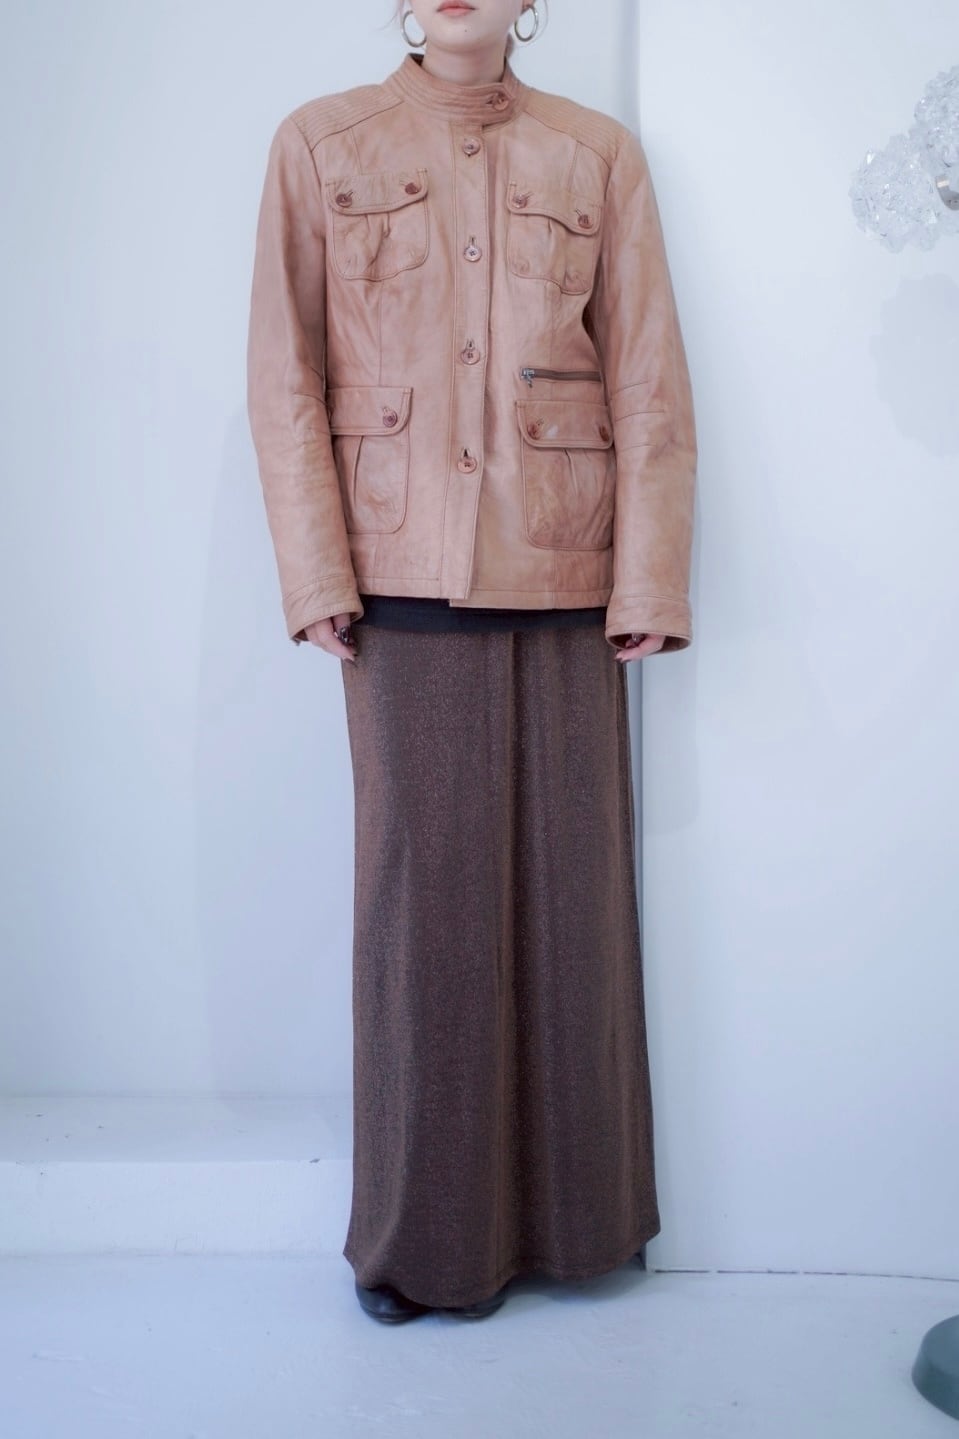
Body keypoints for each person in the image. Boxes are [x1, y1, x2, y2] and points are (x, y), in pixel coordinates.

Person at [246, 0, 697, 1324]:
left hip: (566, 566)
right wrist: (317, 577)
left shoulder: (597, 153)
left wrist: (649, 577)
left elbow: (650, 382)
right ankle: (426, 1246)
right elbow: (284, 376)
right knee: (424, 916)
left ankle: (583, 1226)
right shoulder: (319, 143)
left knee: (573, 907)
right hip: (397, 574)